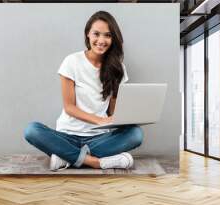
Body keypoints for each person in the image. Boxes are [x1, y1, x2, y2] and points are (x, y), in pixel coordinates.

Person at [24, 11, 143, 171]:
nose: (101, 40)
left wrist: (128, 117)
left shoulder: (118, 68)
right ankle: (97, 162)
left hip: (100, 138)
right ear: (88, 34)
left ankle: (66, 157)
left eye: (107, 35)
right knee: (32, 130)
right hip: (67, 136)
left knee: (136, 134)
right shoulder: (72, 61)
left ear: (113, 38)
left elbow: (113, 112)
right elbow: (69, 107)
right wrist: (98, 120)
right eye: (96, 34)